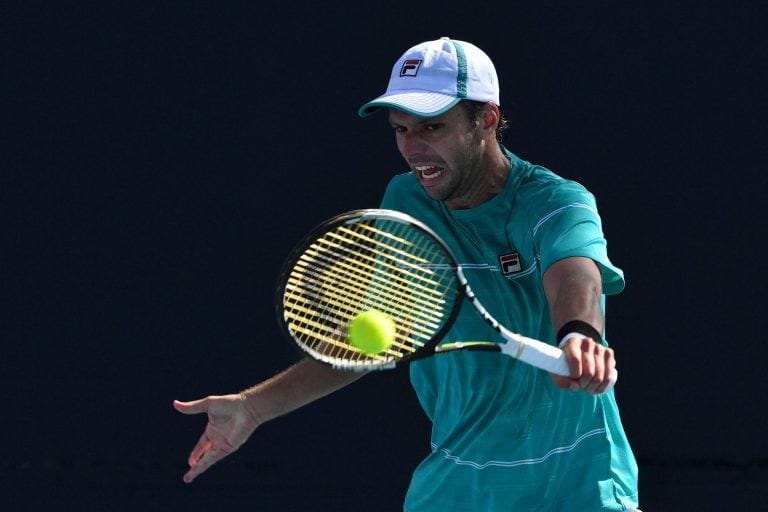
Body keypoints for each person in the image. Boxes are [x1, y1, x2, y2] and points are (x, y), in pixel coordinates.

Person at [174, 37, 640, 511]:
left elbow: (575, 273)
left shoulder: (556, 200)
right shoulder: (406, 202)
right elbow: (376, 337)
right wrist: (253, 407)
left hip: (579, 485)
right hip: (456, 486)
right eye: (400, 130)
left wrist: (578, 334)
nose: (413, 149)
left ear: (487, 120)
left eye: (432, 127)